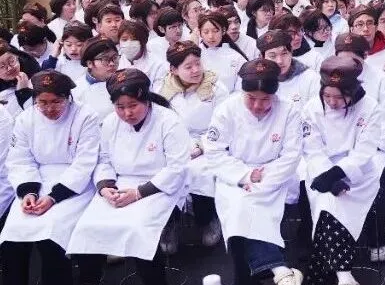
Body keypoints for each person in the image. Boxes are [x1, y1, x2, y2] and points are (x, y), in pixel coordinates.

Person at [67, 69, 190, 285]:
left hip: (159, 187)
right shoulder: (110, 122)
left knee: (139, 229)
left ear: (146, 100)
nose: (127, 113)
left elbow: (176, 169)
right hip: (121, 184)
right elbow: (104, 159)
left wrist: (138, 193)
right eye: (120, 107)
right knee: (87, 228)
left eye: (133, 105)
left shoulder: (168, 121)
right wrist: (105, 187)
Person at [203, 59, 305, 285]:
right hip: (235, 177)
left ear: (275, 95)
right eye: (251, 98)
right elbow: (214, 152)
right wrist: (245, 176)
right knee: (240, 209)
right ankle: (278, 270)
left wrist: (263, 181)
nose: (258, 105)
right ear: (243, 92)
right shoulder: (227, 109)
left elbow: (291, 156)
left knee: (250, 209)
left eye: (265, 99)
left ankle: (264, 274)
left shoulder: (289, 110)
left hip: (274, 178)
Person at [0, 71, 95, 285]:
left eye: (56, 102)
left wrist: (53, 197)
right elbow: (20, 159)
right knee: (12, 239)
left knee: (52, 239)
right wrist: (28, 192)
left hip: (73, 186)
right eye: (42, 102)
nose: (49, 109)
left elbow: (84, 163)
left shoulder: (85, 116)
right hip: (36, 180)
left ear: (68, 97)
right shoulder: (26, 118)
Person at [302, 55, 385, 285]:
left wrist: (339, 173)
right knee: (328, 206)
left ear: (352, 91)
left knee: (337, 206)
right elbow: (312, 148)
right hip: (322, 171)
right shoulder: (311, 108)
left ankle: (323, 276)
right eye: (327, 96)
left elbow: (366, 149)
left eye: (339, 97)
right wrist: (329, 178)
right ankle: (343, 273)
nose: (332, 102)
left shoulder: (370, 107)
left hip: (359, 176)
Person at [159, 41, 229, 247]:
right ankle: (169, 223)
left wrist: (200, 146)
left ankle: (207, 219)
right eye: (188, 67)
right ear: (174, 70)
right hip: (175, 143)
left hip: (209, 143)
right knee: (164, 172)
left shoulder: (216, 88)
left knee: (201, 172)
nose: (196, 70)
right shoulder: (164, 91)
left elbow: (223, 125)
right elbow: (161, 124)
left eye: (198, 63)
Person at [198, 12, 248, 91]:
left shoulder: (236, 57)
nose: (211, 36)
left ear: (223, 31)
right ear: (200, 33)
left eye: (215, 31)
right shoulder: (194, 55)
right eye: (206, 32)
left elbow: (241, 89)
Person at [117, 20, 167, 88]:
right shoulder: (115, 63)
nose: (129, 43)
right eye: (124, 39)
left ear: (143, 41)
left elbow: (158, 91)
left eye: (134, 39)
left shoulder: (158, 65)